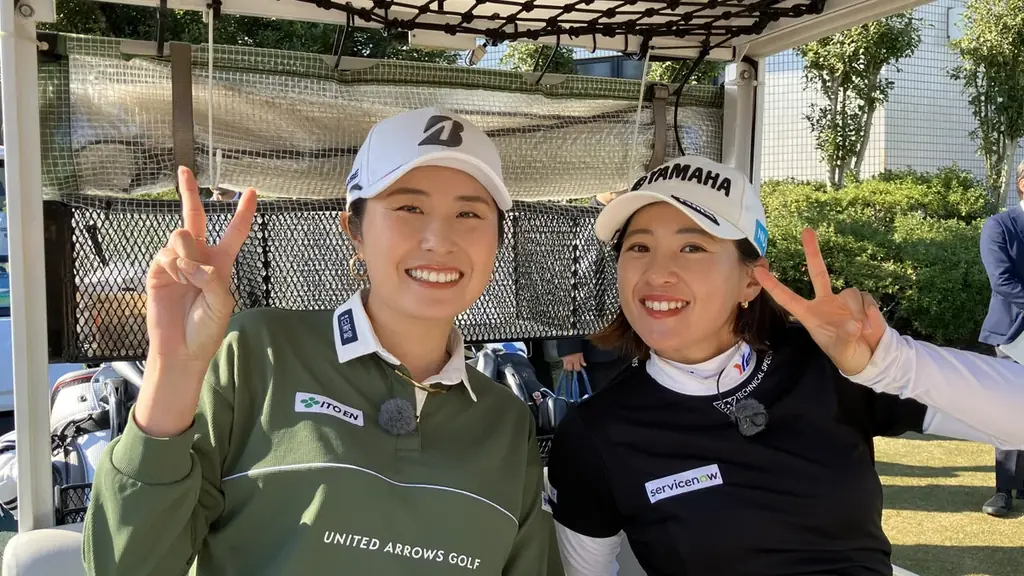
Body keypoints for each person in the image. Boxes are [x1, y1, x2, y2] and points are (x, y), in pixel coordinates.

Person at [83, 107, 563, 576]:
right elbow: (125, 564)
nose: (439, 239)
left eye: (468, 213)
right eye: (410, 208)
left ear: (497, 240)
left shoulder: (505, 421)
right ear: (354, 229)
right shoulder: (257, 351)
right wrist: (173, 367)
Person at [547, 155, 1024, 576]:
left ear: (752, 281)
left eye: (692, 247)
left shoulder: (830, 363)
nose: (657, 273)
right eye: (638, 247)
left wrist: (889, 361)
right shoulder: (597, 432)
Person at [977, 159, 1024, 517]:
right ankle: (1004, 490)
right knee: (1011, 407)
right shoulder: (1000, 225)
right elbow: (1002, 281)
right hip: (1014, 332)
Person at [556, 191, 632, 394]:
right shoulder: (578, 221)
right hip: (595, 344)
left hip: (632, 340)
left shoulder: (632, 218)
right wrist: (570, 345)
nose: (620, 188)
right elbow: (567, 284)